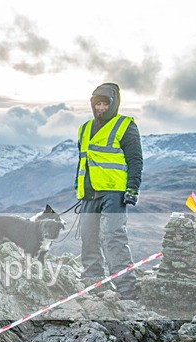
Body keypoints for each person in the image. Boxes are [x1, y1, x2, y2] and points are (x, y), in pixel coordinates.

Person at [75, 82, 142, 300]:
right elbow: (83, 161)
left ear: (114, 104)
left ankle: (127, 289)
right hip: (90, 193)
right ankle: (92, 282)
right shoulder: (84, 128)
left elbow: (135, 160)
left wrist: (132, 187)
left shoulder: (126, 126)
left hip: (115, 192)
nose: (101, 108)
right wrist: (80, 186)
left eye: (105, 104)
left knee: (113, 236)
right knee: (88, 237)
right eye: (97, 104)